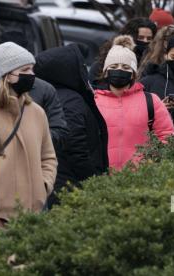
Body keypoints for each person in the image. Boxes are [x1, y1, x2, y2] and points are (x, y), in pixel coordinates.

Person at [0, 42, 57, 223]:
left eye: (32, 69)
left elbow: (48, 157)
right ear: (7, 75)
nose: (32, 75)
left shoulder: (37, 112)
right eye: (25, 69)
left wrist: (43, 186)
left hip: (32, 217)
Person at [34, 44, 109, 207]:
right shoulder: (70, 101)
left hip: (61, 178)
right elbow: (75, 145)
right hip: (69, 182)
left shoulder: (54, 95)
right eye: (80, 65)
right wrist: (91, 177)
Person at [94, 36, 174, 170]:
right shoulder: (94, 101)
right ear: (106, 72)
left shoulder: (151, 101)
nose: (119, 70)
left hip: (140, 178)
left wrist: (151, 164)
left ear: (133, 74)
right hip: (101, 177)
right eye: (114, 66)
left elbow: (166, 136)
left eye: (125, 67)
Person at [89, 18, 158, 88]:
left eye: (149, 39)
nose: (145, 41)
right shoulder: (101, 65)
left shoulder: (153, 66)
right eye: (140, 37)